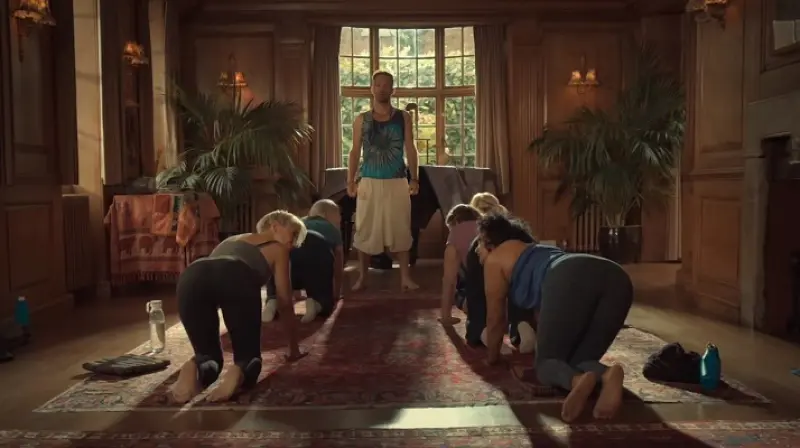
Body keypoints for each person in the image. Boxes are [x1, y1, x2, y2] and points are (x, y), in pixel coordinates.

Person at [477, 213, 633, 423]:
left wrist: (492, 358)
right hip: (617, 278)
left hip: (567, 276)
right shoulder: (536, 250)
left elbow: (495, 319)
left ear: (489, 243)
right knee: (577, 361)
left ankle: (577, 381)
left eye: (478, 243)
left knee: (546, 365)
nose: (476, 250)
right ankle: (607, 375)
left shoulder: (494, 259)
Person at [169, 210, 307, 404]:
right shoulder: (278, 248)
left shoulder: (231, 240)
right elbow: (284, 301)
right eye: (293, 234)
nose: (293, 243)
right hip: (235, 275)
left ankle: (195, 365)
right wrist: (293, 349)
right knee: (249, 360)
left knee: (209, 357)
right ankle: (239, 369)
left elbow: (215, 278)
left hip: (192, 275)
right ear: (275, 226)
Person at [346, 70, 419, 292]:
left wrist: (415, 178)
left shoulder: (403, 117)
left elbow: (411, 148)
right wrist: (350, 180)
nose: (382, 88)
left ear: (392, 89)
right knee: (364, 229)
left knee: (401, 227)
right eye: (378, 85)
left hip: (397, 181)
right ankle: (362, 277)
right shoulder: (362, 119)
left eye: (386, 85)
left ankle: (405, 277)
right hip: (369, 180)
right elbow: (354, 151)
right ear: (372, 88)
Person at [461, 193, 536, 354]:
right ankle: (524, 326)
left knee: (477, 301)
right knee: (521, 290)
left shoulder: (478, 244)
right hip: (526, 262)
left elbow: (474, 293)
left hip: (485, 265)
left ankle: (483, 332)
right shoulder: (519, 231)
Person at [262, 200, 344, 323]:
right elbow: (338, 263)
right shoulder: (332, 229)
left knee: (278, 262)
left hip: (289, 262)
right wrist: (336, 292)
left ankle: (273, 300)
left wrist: (295, 292)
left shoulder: (298, 222)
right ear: (326, 215)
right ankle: (316, 303)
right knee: (322, 286)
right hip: (317, 254)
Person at [439, 204, 481, 325]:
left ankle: (471, 306)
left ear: (455, 221)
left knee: (459, 285)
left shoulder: (456, 232)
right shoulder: (487, 227)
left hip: (479, 289)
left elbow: (449, 280)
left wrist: (445, 316)